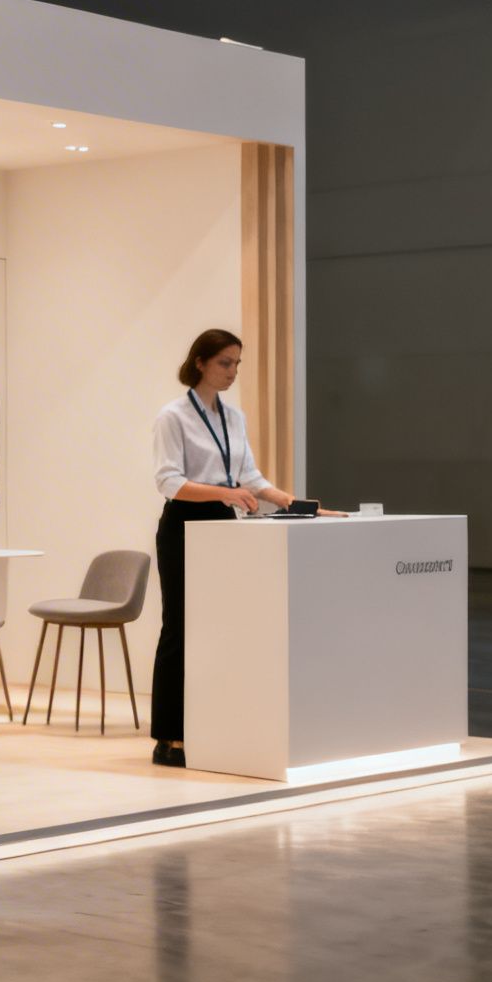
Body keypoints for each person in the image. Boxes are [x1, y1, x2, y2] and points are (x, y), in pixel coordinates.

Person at [149, 328, 322, 768]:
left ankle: (212, 726)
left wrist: (292, 502)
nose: (232, 372)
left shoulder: (234, 417)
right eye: (225, 363)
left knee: (218, 631)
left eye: (237, 364)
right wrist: (223, 494)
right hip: (185, 525)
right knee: (181, 629)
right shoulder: (173, 416)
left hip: (225, 528)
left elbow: (249, 477)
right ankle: (169, 736)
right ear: (201, 362)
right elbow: (168, 482)